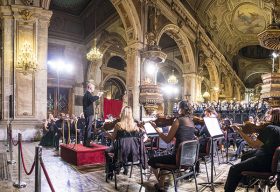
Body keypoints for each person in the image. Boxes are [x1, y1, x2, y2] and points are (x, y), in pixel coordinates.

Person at [224, 108, 280, 192]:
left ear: (274, 116)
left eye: (269, 114)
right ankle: (247, 182)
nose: (266, 116)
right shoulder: (277, 128)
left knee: (233, 169)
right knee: (246, 155)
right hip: (274, 163)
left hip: (264, 162)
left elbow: (253, 145)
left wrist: (239, 131)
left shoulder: (271, 128)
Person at [148, 100, 197, 191]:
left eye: (179, 108)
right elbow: (185, 137)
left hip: (177, 159)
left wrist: (156, 128)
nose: (177, 110)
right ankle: (161, 185)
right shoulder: (191, 122)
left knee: (151, 161)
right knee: (164, 161)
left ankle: (160, 182)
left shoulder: (178, 121)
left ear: (181, 109)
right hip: (189, 159)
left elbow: (167, 140)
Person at [104, 106, 146, 179]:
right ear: (131, 114)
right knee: (125, 148)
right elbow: (142, 136)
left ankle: (110, 171)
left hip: (121, 152)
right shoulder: (135, 125)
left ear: (122, 113)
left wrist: (107, 134)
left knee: (106, 151)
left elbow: (113, 138)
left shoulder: (118, 125)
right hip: (133, 152)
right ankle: (126, 168)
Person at [83, 83, 103, 147]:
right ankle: (87, 143)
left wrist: (97, 95)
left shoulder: (87, 94)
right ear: (90, 88)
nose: (94, 89)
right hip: (88, 113)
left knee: (87, 128)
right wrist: (98, 96)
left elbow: (91, 99)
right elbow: (92, 99)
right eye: (93, 88)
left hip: (87, 113)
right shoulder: (88, 94)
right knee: (88, 128)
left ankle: (85, 142)